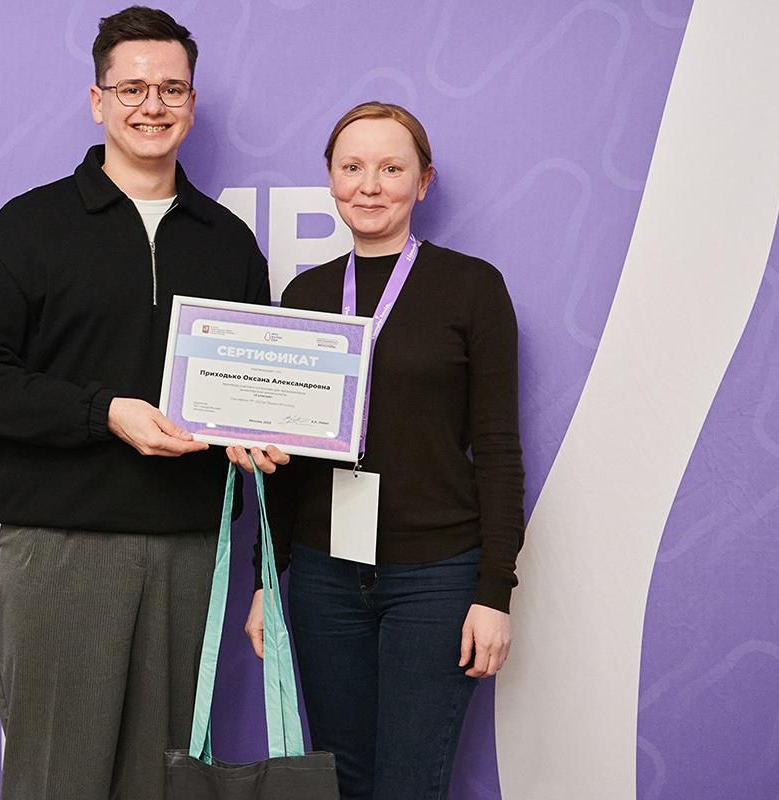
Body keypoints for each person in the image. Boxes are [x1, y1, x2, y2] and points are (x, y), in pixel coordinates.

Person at [0, 7, 270, 799]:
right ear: (98, 101)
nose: (153, 105)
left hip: (190, 551)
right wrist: (103, 413)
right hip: (63, 547)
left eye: (171, 89)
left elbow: (251, 401)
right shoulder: (31, 226)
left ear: (192, 104)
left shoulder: (228, 242)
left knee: (164, 782)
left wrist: (258, 440)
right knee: (58, 778)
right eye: (132, 89)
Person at [231, 101, 526, 799]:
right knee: (344, 780)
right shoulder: (306, 294)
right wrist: (267, 580)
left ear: (423, 181)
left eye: (391, 169)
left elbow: (497, 449)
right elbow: (285, 467)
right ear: (331, 178)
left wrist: (494, 592)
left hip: (435, 578)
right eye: (352, 167)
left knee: (408, 784)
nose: (369, 185)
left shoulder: (471, 288)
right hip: (324, 576)